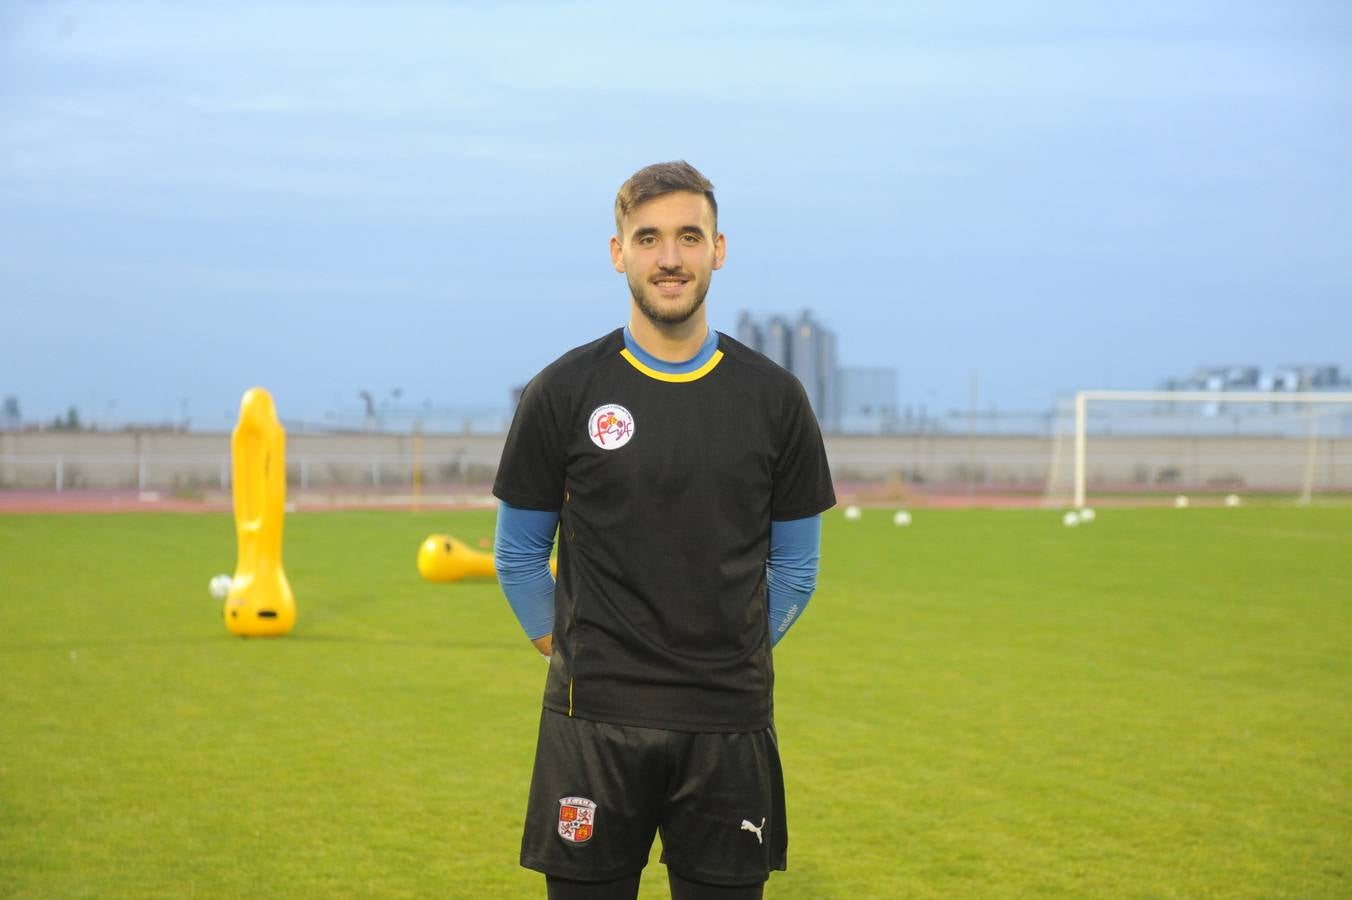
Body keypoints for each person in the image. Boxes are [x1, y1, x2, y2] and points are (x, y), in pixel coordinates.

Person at [492, 160, 835, 900]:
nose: (670, 257)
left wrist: (721, 655)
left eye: (689, 236)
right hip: (594, 725)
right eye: (648, 238)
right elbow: (519, 554)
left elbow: (798, 569)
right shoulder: (564, 391)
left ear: (719, 248)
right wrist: (575, 652)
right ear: (619, 252)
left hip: (728, 725)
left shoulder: (775, 400)